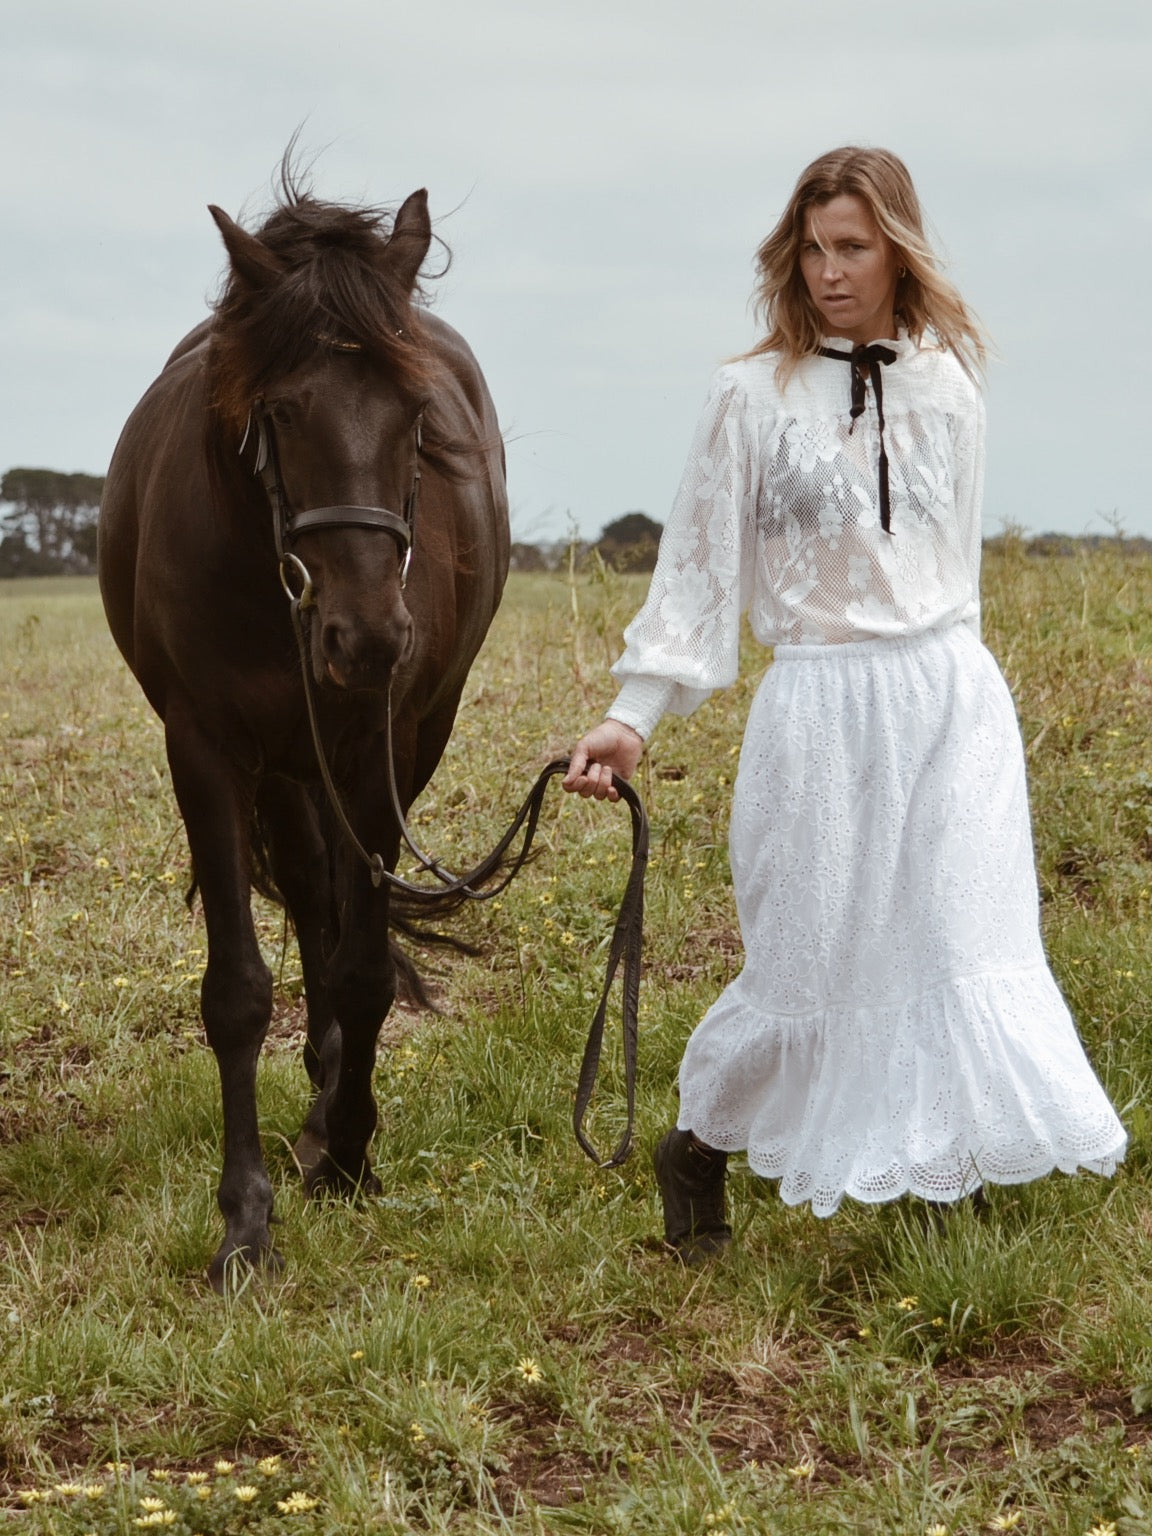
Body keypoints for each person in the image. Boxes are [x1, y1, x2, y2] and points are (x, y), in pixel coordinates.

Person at [563, 146, 1127, 1263]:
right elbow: (697, 576)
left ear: (897, 252)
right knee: (808, 963)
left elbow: (952, 563)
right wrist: (633, 716)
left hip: (950, 697)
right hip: (818, 709)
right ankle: (699, 1147)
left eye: (853, 248)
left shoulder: (950, 383)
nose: (829, 271)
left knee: (957, 939)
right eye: (814, 249)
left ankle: (941, 1174)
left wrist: (960, 683)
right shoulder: (748, 396)